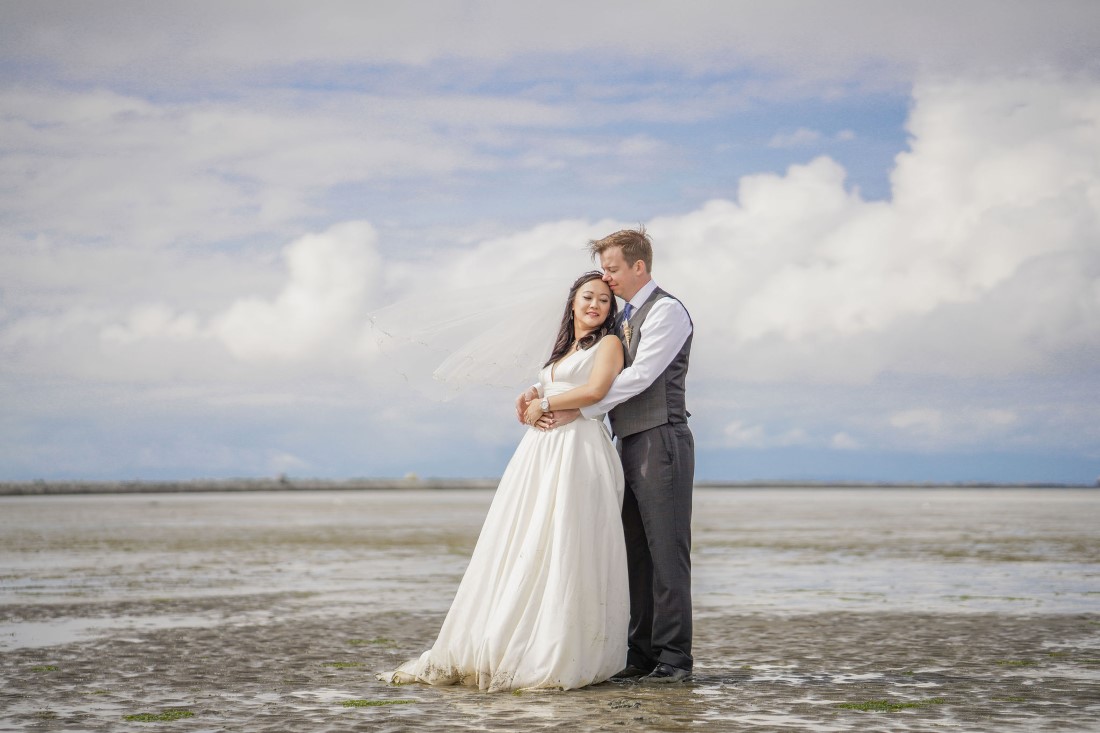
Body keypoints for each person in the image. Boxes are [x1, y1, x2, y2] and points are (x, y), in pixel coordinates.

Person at [378, 271, 629, 692]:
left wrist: (544, 401)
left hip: (578, 452)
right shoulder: (563, 348)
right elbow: (558, 381)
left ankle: (561, 646)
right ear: (572, 302)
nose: (595, 306)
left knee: (569, 540)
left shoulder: (610, 344)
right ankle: (515, 634)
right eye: (588, 297)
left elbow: (596, 389)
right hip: (541, 452)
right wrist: (533, 394)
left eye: (604, 301)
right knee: (526, 538)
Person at [530, 227, 695, 684]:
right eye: (603, 268)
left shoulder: (667, 312)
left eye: (613, 268)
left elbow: (639, 377)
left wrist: (574, 406)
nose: (607, 277)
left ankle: (674, 659)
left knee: (667, 551)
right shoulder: (620, 319)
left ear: (639, 266)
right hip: (624, 442)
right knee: (634, 554)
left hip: (661, 439)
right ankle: (640, 655)